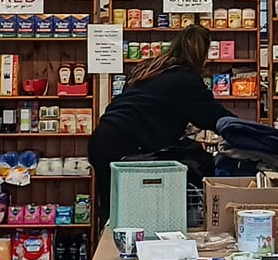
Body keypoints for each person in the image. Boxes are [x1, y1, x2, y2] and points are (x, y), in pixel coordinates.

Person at [89, 23, 224, 197]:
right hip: (128, 145)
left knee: (114, 208)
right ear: (203, 54)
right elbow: (213, 116)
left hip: (102, 138)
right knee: (137, 205)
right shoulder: (185, 79)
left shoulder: (148, 69)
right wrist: (246, 133)